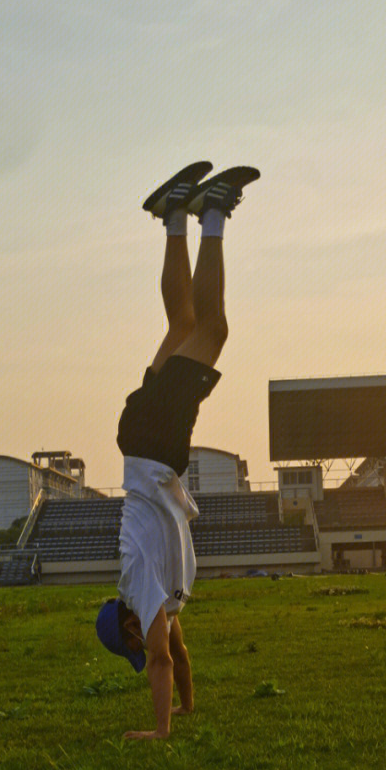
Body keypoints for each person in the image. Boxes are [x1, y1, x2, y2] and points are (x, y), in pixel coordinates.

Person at [95, 162, 259, 740]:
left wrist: (160, 731)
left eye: (137, 645)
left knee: (212, 329)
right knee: (186, 322)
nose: (151, 648)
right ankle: (173, 217)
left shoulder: (139, 586)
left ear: (130, 627)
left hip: (155, 446)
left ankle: (210, 211)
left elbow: (163, 660)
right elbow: (180, 657)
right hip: (142, 443)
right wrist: (189, 710)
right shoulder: (159, 600)